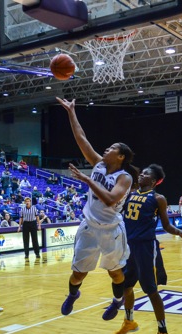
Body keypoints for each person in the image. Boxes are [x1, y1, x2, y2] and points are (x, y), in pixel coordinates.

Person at [56, 97, 138, 319]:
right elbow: (81, 138)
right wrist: (71, 112)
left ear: (120, 156)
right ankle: (73, 295)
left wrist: (88, 180)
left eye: (112, 148)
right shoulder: (99, 164)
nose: (106, 148)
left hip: (111, 229)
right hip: (89, 226)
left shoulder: (125, 177)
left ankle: (117, 301)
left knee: (115, 273)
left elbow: (111, 199)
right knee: (77, 274)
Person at [111, 164, 182, 334]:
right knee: (126, 286)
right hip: (128, 247)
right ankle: (129, 321)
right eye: (141, 172)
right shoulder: (131, 193)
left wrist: (181, 232)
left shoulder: (158, 199)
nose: (141, 174)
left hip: (146, 248)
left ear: (154, 180)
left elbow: (166, 225)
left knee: (151, 291)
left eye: (146, 173)